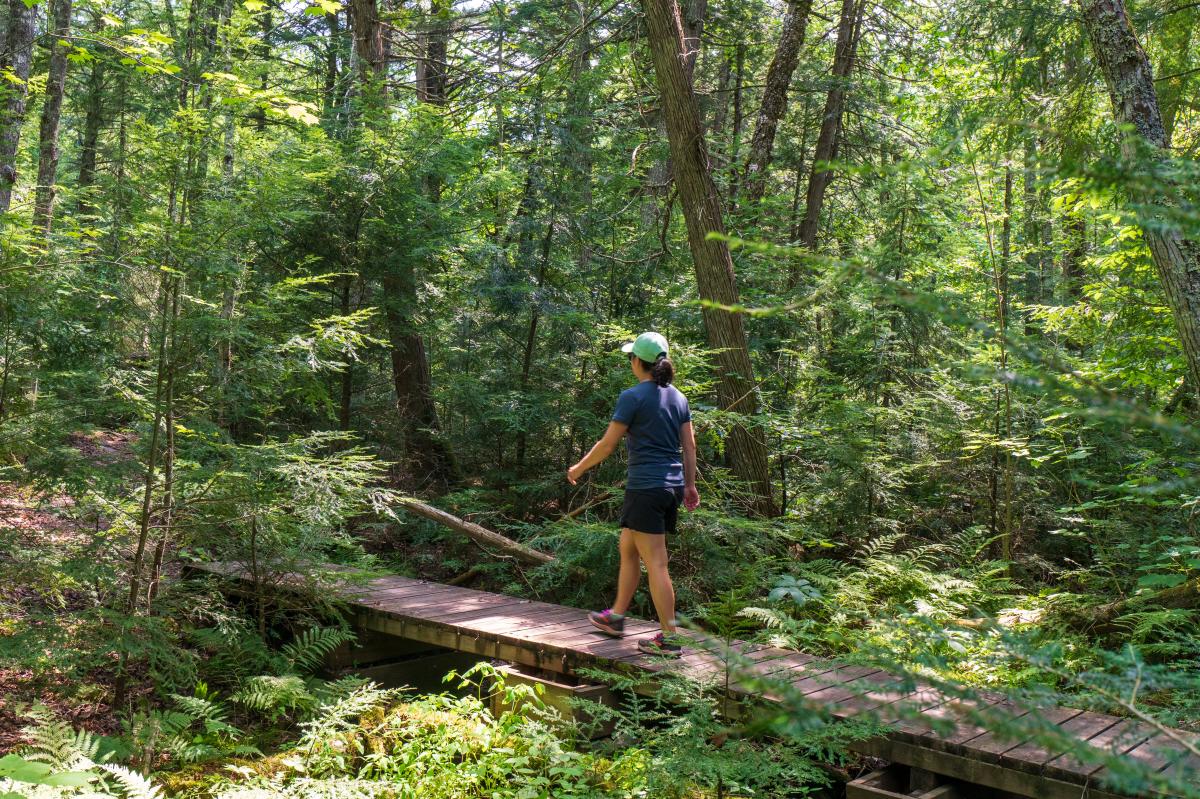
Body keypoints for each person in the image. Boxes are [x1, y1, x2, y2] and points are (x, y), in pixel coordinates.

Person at [566, 331, 699, 657]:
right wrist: (690, 485)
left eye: (631, 357)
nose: (630, 362)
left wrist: (579, 468)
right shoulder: (678, 398)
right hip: (668, 489)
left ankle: (670, 638)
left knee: (656, 563)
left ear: (638, 362)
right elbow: (690, 445)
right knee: (628, 546)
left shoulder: (633, 397)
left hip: (646, 488)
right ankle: (616, 618)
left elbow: (608, 444)